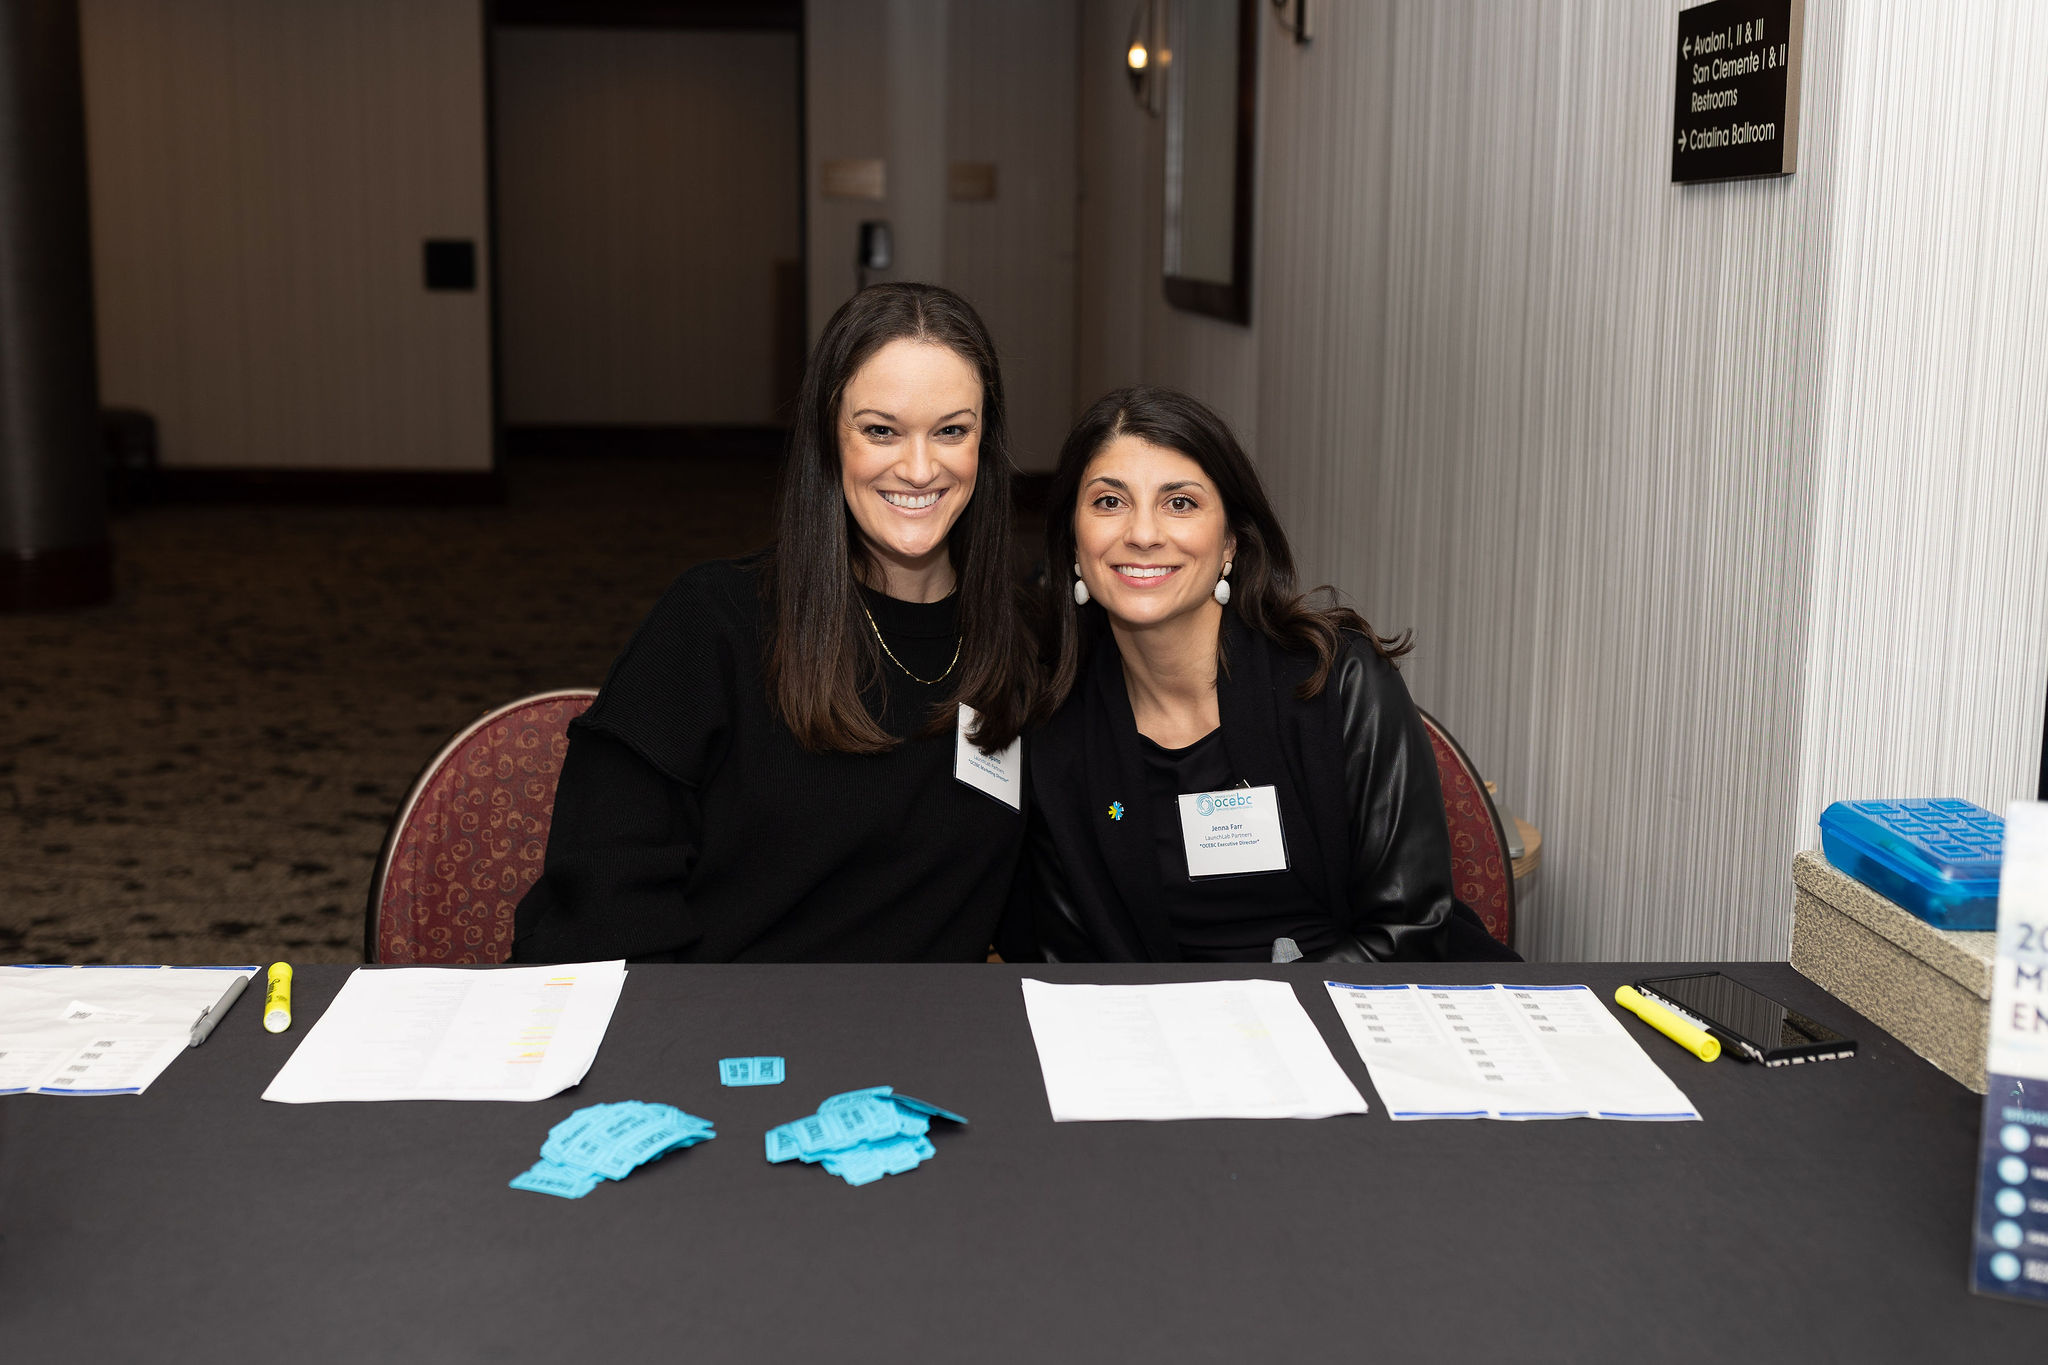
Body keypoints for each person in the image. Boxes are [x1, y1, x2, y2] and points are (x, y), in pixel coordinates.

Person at [513, 283, 1035, 963]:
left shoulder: (1024, 645)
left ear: (984, 444)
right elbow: (607, 892)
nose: (918, 468)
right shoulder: (714, 624)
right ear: (828, 438)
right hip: (711, 1019)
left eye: (951, 431)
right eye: (880, 430)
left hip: (921, 1028)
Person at [1015, 386, 1517, 963]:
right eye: (1110, 502)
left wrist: (1258, 1013)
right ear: (1073, 541)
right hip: (1157, 1018)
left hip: (1360, 1004)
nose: (1143, 534)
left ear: (1230, 541)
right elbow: (1068, 962)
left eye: (1180, 503)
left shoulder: (1338, 684)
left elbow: (1407, 933)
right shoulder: (1052, 726)